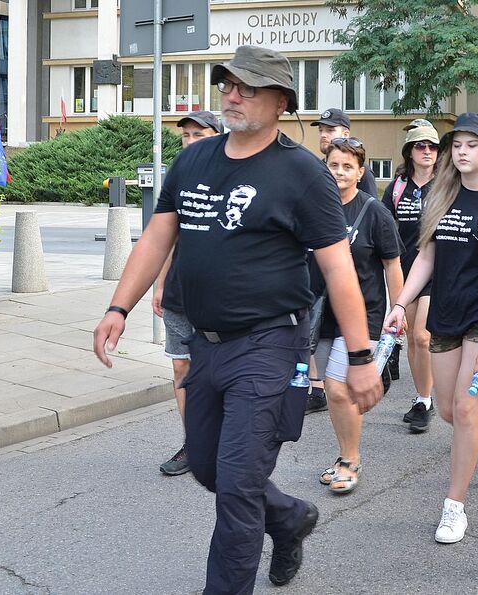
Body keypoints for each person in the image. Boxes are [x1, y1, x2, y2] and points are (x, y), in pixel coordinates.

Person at [91, 46, 383, 593]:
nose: (232, 93)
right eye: (227, 83)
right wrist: (117, 306)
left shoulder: (302, 174)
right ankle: (290, 519)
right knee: (209, 468)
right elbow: (160, 233)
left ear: (281, 101)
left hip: (268, 345)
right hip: (206, 345)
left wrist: (361, 356)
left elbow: (339, 268)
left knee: (238, 487)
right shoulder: (194, 159)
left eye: (247, 87)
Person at [382, 112, 478, 545]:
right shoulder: (441, 195)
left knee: (464, 409)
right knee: (447, 410)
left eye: (471, 145)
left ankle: (453, 508)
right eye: (456, 145)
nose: (461, 152)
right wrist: (401, 303)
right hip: (444, 311)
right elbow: (426, 258)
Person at [314, 137, 403, 494]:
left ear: (360, 172)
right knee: (332, 391)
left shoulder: (373, 211)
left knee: (338, 388)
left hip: (364, 313)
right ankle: (342, 454)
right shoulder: (315, 207)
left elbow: (392, 263)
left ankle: (350, 459)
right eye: (334, 165)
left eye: (347, 166)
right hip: (320, 313)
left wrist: (399, 308)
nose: (339, 172)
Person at [153, 111, 222, 477]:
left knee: (219, 371)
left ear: (217, 136)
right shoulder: (179, 177)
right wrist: (160, 283)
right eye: (186, 135)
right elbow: (167, 237)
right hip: (180, 292)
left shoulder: (232, 175)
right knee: (181, 365)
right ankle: (194, 442)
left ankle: (226, 440)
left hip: (219, 298)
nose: (191, 141)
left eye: (200, 134)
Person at [382, 123, 440, 432]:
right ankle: (423, 399)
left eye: (432, 146)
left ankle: (427, 396)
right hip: (406, 270)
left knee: (422, 336)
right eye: (421, 146)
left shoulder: (446, 185)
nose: (427, 151)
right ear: (410, 152)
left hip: (436, 269)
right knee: (415, 343)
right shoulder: (397, 187)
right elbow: (384, 226)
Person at [311, 107, 378, 196]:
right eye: (320, 130)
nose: (323, 135)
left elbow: (370, 206)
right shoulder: (317, 167)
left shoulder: (359, 170)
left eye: (330, 130)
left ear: (345, 134)